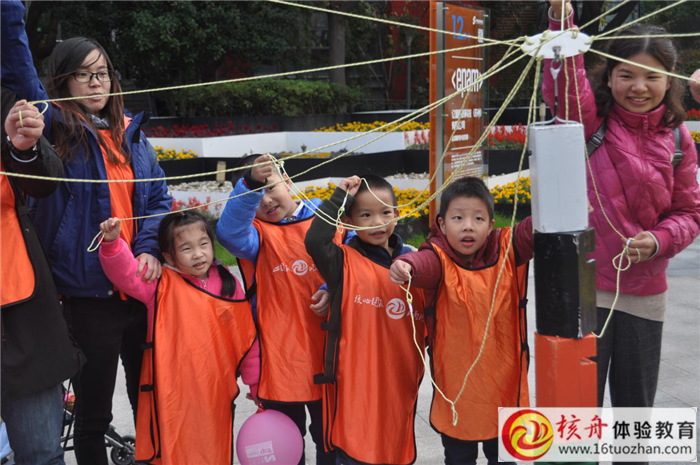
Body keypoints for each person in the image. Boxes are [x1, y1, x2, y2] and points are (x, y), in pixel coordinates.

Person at [1, 3, 173, 464]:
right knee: (93, 416)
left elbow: (159, 199)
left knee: (151, 405)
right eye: (83, 75)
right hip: (86, 298)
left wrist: (149, 248)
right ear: (63, 82)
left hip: (140, 291)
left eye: (102, 73)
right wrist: (10, 11)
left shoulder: (133, 135)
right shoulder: (56, 127)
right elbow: (19, 71)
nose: (96, 83)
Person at [546, 1, 700, 409]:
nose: (639, 87)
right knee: (578, 412)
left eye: (652, 76)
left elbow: (690, 213)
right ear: (609, 77)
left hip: (645, 292)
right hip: (583, 291)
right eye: (627, 75)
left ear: (670, 79)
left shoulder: (679, 140)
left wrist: (659, 240)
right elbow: (565, 87)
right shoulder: (590, 121)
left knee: (636, 414)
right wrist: (561, 20)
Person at [390, 177, 532, 465]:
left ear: (491, 225)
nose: (468, 226)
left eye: (478, 218)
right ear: (442, 225)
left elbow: (532, 231)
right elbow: (423, 264)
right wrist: (406, 265)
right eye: (458, 218)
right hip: (456, 390)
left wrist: (561, 206)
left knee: (503, 458)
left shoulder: (507, 247)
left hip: (503, 385)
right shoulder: (437, 256)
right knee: (459, 458)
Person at [98, 211, 258, 464]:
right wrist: (112, 244)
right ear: (169, 256)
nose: (198, 254)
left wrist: (256, 384)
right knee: (173, 445)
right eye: (186, 248)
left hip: (216, 388)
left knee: (213, 445)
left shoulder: (229, 284)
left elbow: (247, 340)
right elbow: (126, 274)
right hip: (171, 390)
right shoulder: (160, 284)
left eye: (203, 244)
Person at [216, 153, 338, 465]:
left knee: (331, 440)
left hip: (331, 358)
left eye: (269, 188)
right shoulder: (255, 236)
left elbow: (355, 264)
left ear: (288, 180)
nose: (266, 201)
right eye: (255, 197)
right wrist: (250, 185)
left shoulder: (328, 220)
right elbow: (229, 234)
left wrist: (330, 288)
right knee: (285, 443)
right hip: (280, 364)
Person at [305, 174, 428, 465]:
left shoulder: (415, 262)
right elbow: (315, 240)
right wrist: (340, 197)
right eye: (365, 215)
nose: (377, 222)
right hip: (355, 383)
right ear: (348, 220)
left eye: (385, 213)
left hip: (399, 379)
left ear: (397, 214)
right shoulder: (341, 262)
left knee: (394, 444)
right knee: (356, 447)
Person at [1, 89, 84, 465]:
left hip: (21, 313)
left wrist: (22, 148)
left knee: (41, 455)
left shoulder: (5, 101)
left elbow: (47, 180)